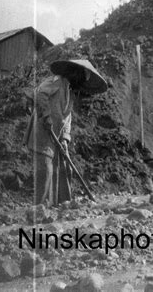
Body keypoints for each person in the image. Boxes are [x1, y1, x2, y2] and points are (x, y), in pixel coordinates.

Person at [24, 59, 107, 206]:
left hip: (57, 136)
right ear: (75, 74)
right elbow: (39, 93)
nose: (82, 82)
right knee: (45, 170)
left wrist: (65, 138)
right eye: (82, 78)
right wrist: (46, 116)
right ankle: (40, 207)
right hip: (42, 132)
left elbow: (67, 118)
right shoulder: (56, 81)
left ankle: (62, 204)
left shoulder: (70, 92)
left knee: (64, 168)